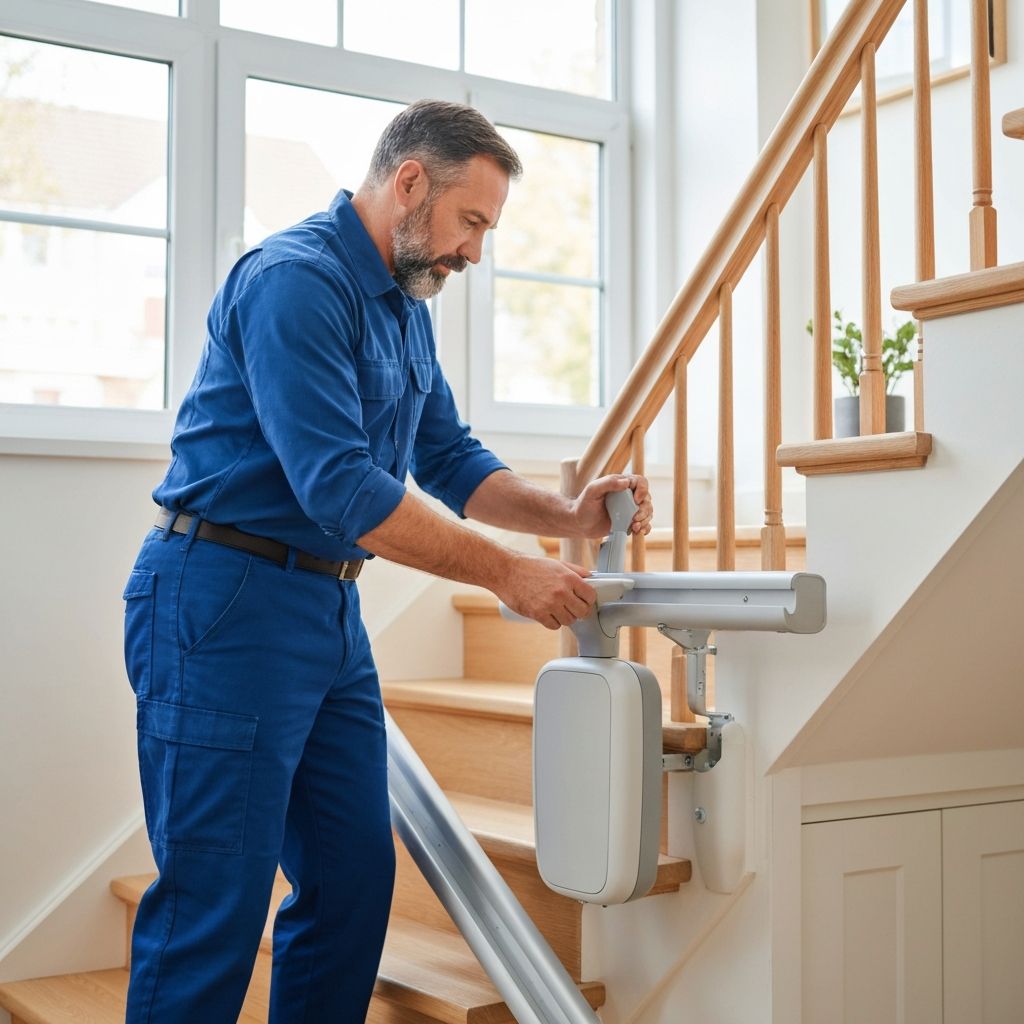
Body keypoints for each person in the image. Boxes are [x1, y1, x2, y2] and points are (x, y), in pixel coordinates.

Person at [121, 99, 653, 1023]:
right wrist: (507, 575)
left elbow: (449, 458)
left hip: (325, 613)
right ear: (410, 183)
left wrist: (563, 517)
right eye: (472, 222)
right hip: (223, 601)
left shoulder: (403, 304)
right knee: (214, 903)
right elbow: (341, 488)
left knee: (353, 884)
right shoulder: (294, 283)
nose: (475, 252)